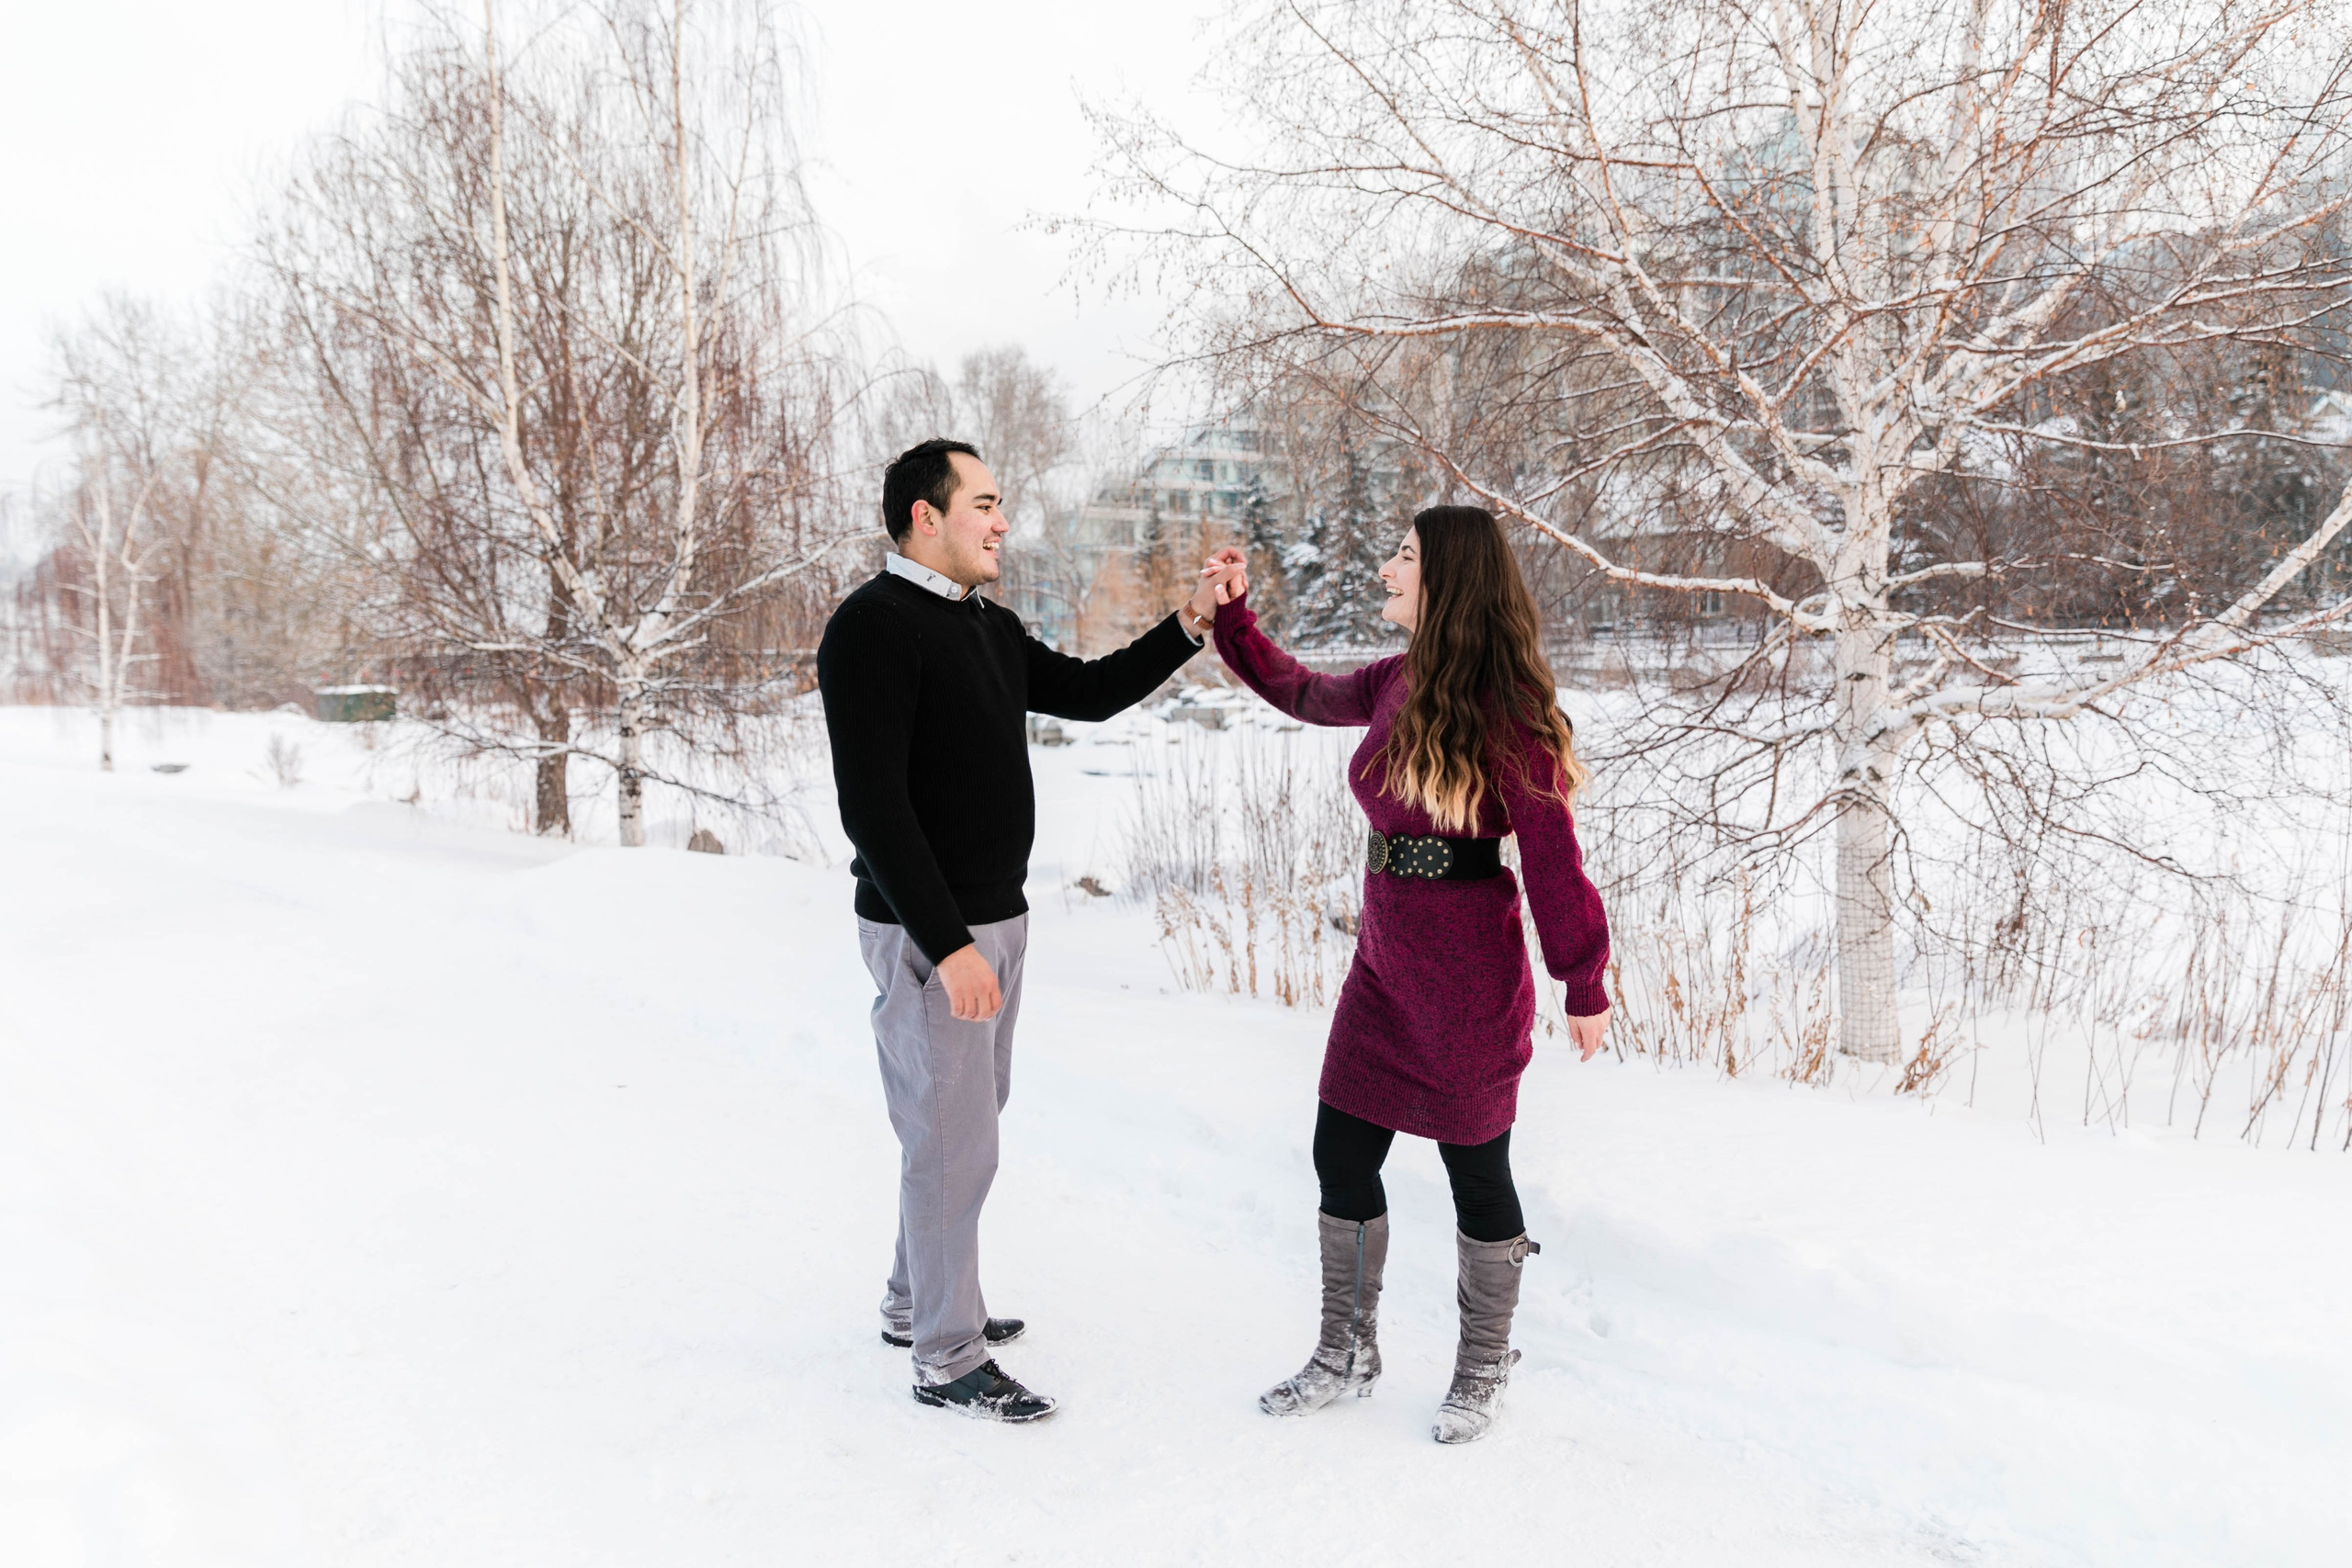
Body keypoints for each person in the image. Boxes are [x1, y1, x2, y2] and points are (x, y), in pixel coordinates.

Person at [817, 438, 1238, 1424]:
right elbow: (873, 809)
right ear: (926, 516)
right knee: (953, 1143)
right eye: (986, 503)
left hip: (994, 922)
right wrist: (949, 944)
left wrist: (1190, 624)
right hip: (937, 935)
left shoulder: (984, 627)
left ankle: (914, 1300)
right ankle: (946, 1356)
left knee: (957, 1127)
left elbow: (1088, 693)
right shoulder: (872, 628)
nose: (1003, 521)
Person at [1202, 505, 1611, 1444]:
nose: (1386, 568)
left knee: (1477, 1173)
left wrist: (1580, 980)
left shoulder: (1509, 712)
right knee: (1340, 1154)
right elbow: (1301, 693)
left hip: (1469, 979)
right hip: (1382, 968)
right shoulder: (1394, 680)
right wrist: (1235, 619)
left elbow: (1552, 858)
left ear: (1449, 580)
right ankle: (1347, 1351)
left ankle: (1482, 1365)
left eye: (1404, 556)